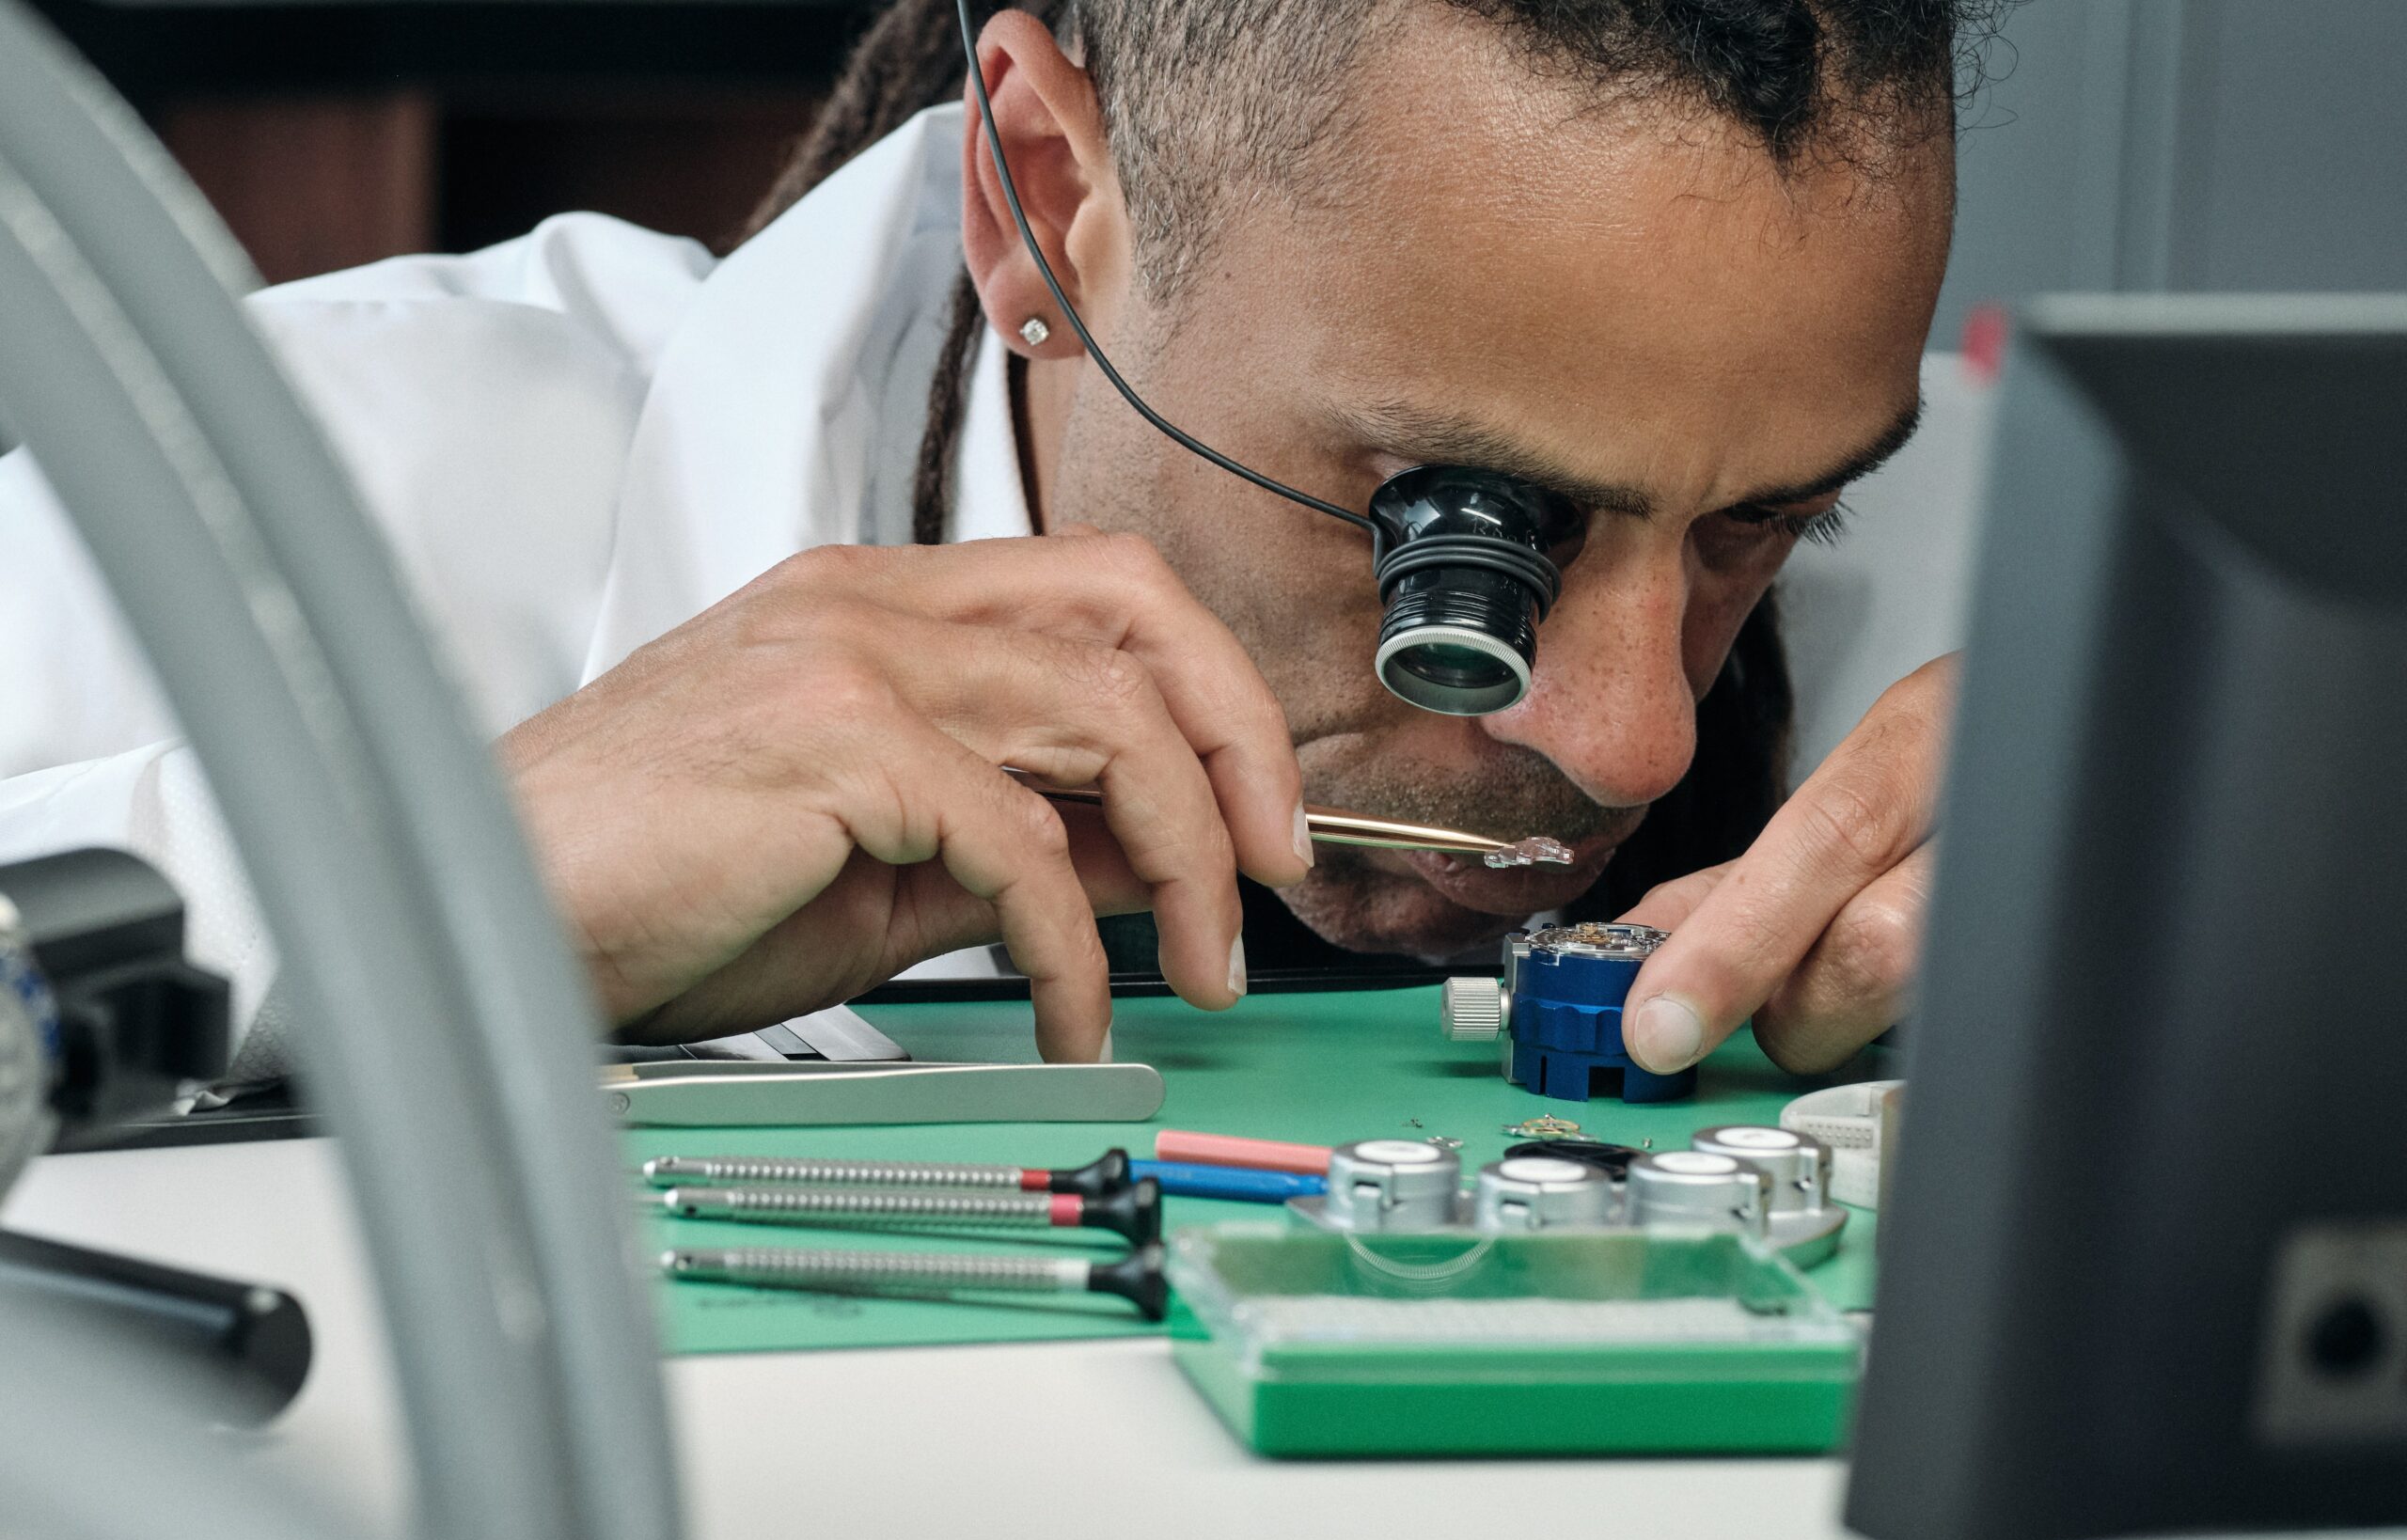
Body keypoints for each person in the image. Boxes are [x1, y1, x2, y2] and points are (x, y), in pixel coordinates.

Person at [0, 0, 1985, 1074]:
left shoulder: (2020, 603)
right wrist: (410, 882)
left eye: (1764, 523)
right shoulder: (272, 502)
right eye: (1467, 537)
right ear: (1044, 190)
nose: (1631, 739)